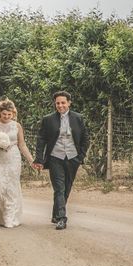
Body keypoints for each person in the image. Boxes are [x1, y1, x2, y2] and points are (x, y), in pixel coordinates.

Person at [32, 91, 90, 230]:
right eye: (57, 103)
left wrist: (80, 156)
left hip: (73, 158)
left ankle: (55, 214)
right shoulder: (48, 119)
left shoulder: (78, 118)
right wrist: (39, 159)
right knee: (59, 188)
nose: (60, 105)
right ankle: (62, 218)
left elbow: (85, 138)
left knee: (66, 188)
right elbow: (41, 140)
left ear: (69, 102)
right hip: (55, 158)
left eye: (63, 102)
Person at [0, 99, 37, 228]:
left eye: (9, 114)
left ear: (13, 114)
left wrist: (31, 160)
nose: (6, 117)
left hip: (13, 159)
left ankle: (9, 217)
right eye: (4, 114)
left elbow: (22, 145)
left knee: (11, 188)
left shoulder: (17, 126)